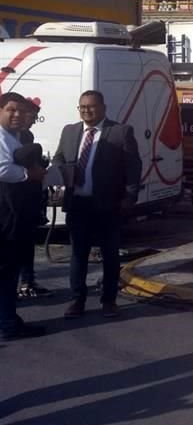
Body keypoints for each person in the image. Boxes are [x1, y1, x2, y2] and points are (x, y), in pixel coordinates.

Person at [53, 90, 142, 319]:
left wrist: (129, 197)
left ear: (103, 107)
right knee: (78, 255)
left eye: (91, 106)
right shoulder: (70, 131)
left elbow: (133, 168)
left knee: (110, 255)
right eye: (82, 107)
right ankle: (77, 300)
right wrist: (60, 177)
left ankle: (109, 300)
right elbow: (59, 158)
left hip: (108, 205)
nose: (86, 111)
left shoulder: (120, 132)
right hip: (78, 204)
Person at [0, 92, 47, 340]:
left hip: (15, 213)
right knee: (6, 271)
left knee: (9, 271)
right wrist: (30, 175)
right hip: (3, 215)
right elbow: (3, 169)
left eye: (21, 110)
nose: (17, 114)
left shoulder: (17, 136)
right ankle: (8, 324)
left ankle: (8, 319)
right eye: (10, 110)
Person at [17, 98, 51, 298]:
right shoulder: (11, 137)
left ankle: (28, 280)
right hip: (15, 199)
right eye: (32, 116)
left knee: (27, 241)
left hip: (31, 198)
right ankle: (22, 283)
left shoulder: (27, 135)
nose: (33, 120)